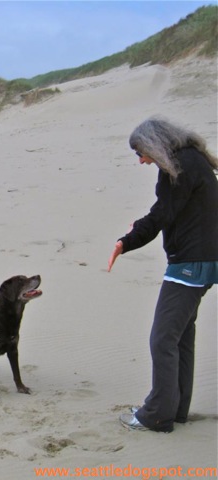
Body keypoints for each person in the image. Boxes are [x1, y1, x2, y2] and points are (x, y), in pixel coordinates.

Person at [108, 116, 218, 433]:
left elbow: (162, 214)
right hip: (205, 260)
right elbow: (172, 211)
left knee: (162, 339)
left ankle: (157, 414)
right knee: (181, 337)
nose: (142, 160)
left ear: (155, 144)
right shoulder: (192, 159)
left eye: (141, 152)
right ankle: (176, 409)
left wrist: (126, 241)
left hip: (189, 264)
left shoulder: (179, 168)